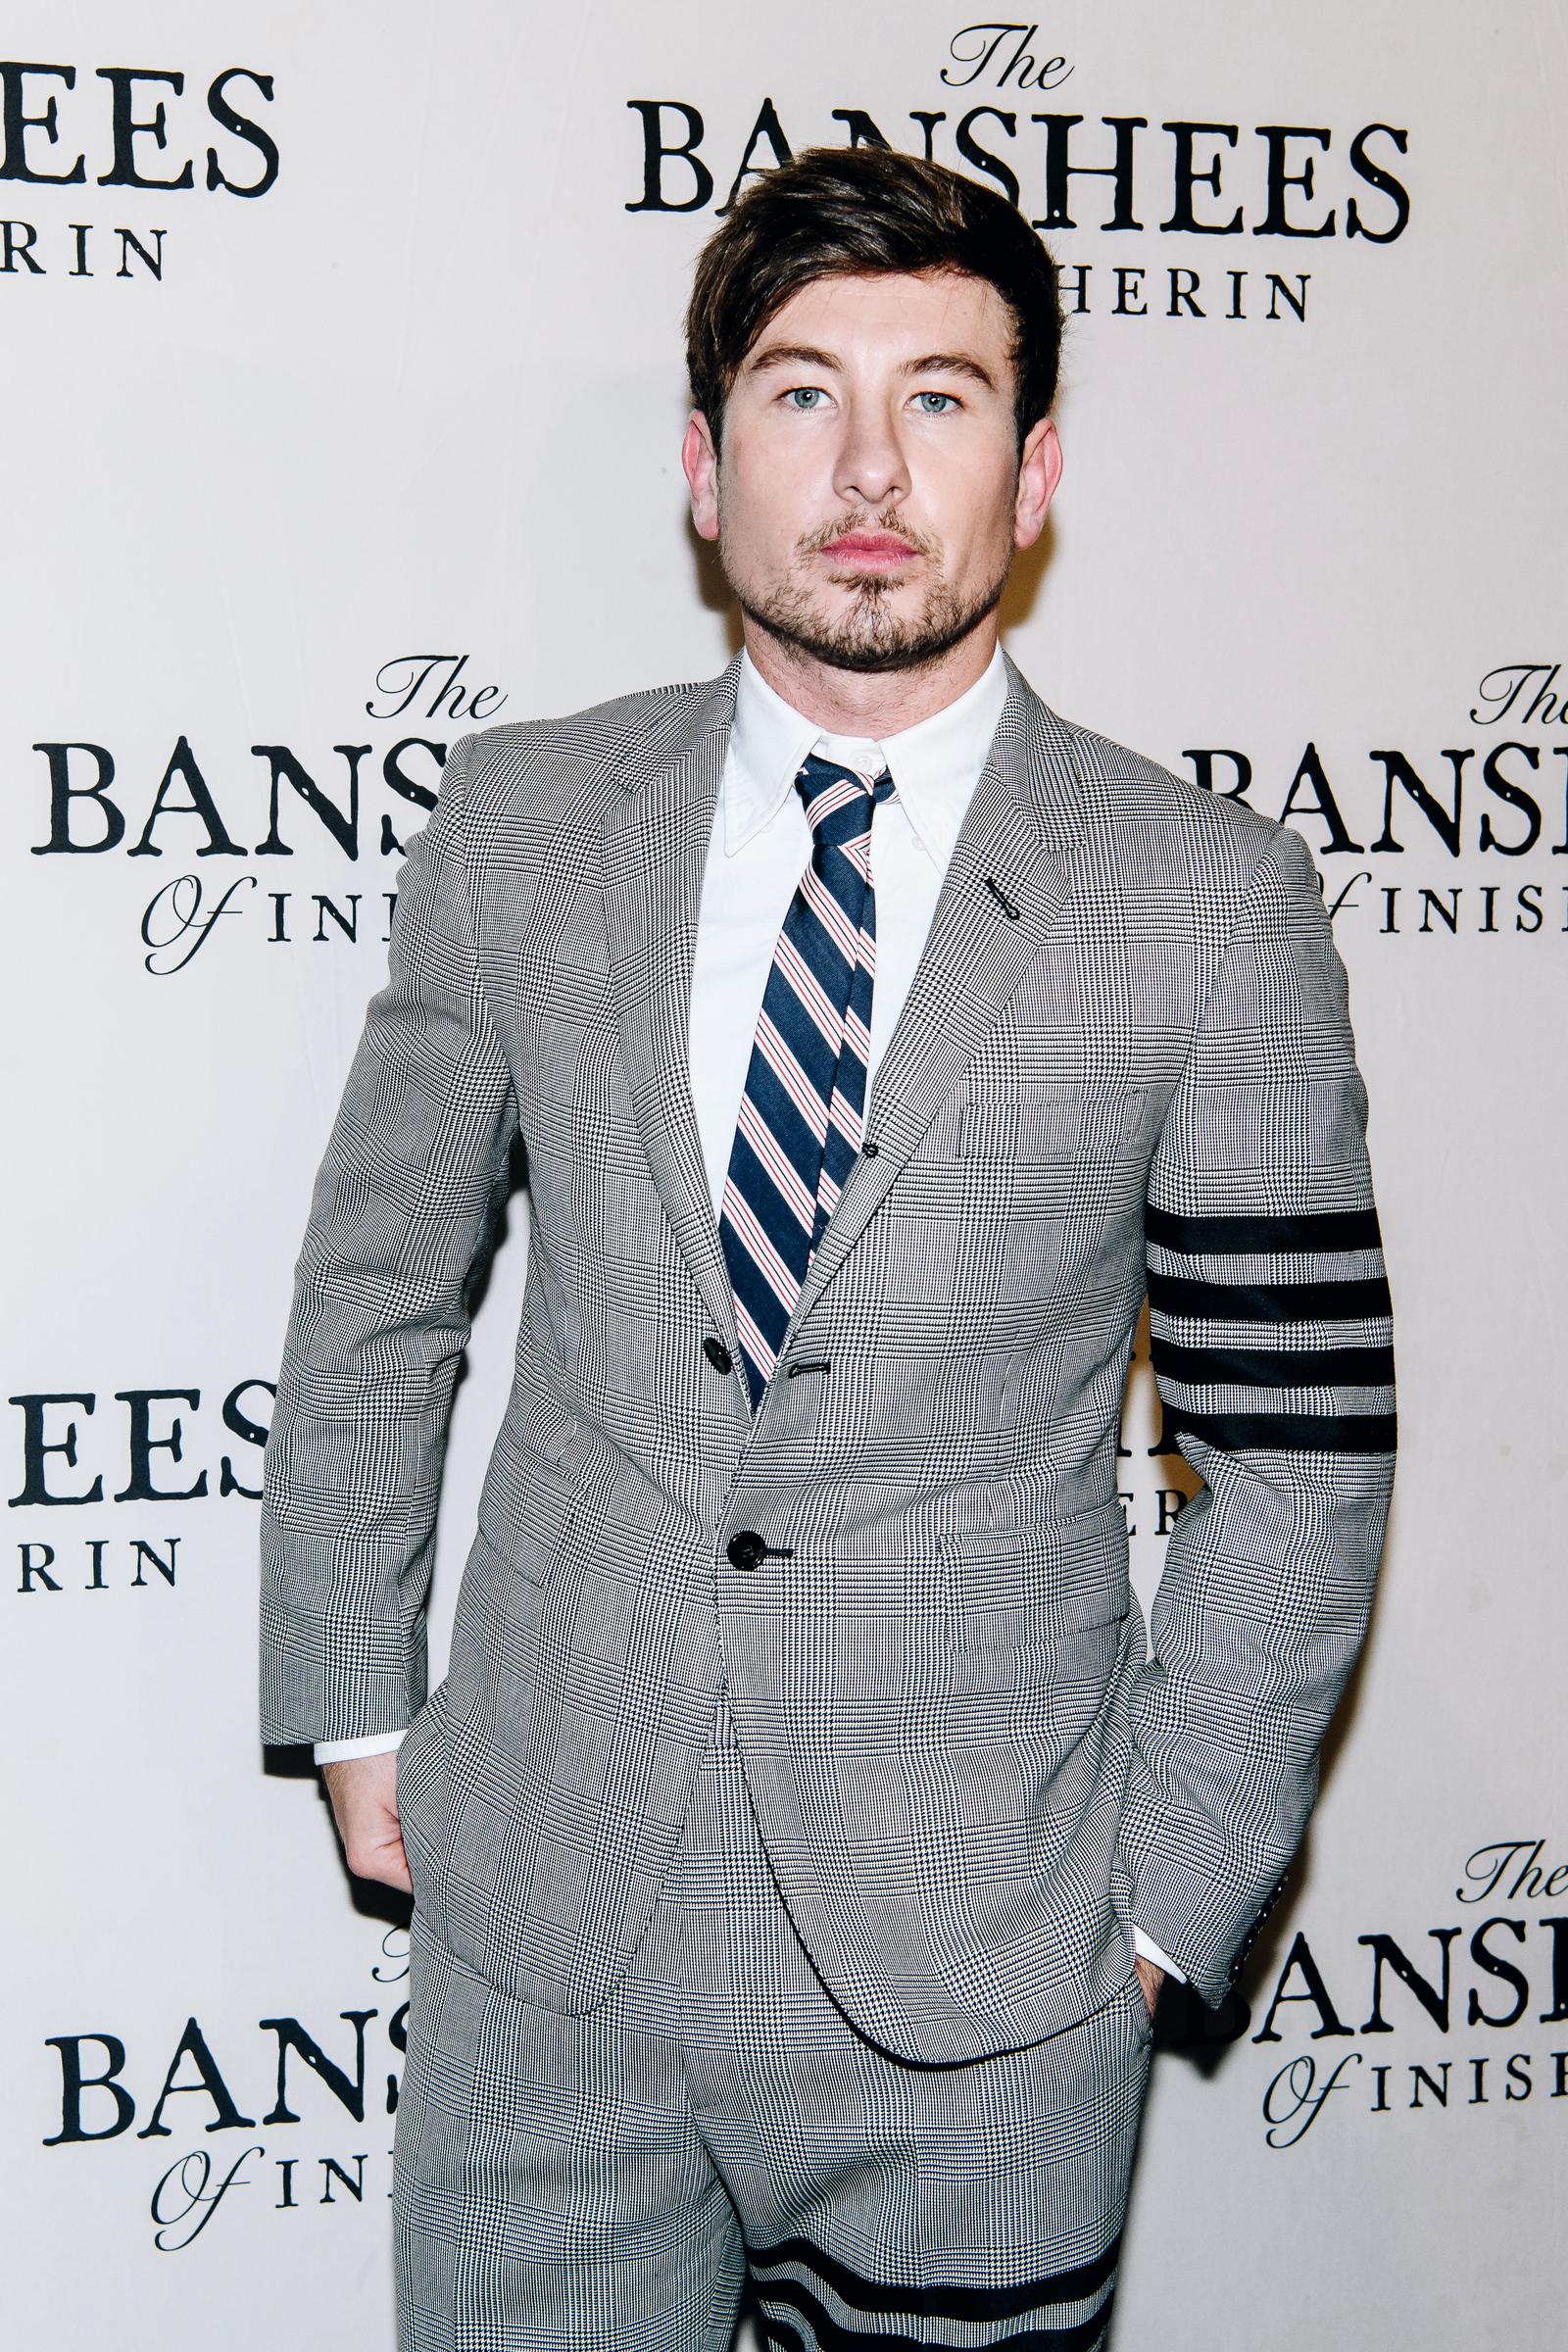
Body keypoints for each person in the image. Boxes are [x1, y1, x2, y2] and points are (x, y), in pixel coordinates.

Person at [260, 144, 1395, 2350]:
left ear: (1034, 466)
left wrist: (1168, 1901)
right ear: (702, 470)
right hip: (542, 1920)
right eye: (798, 397)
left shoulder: (1203, 901)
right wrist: (343, 1703)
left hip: (985, 1952)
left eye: (942, 398)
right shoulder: (517, 824)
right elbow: (376, 1285)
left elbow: (1296, 1444)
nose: (867, 469)